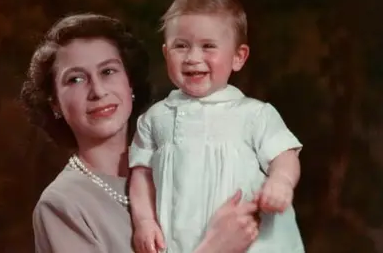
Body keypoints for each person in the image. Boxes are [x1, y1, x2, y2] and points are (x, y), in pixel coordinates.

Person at [21, 13, 261, 253]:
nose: (98, 90)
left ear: (130, 82)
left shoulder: (176, 163)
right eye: (75, 79)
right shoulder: (61, 205)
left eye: (108, 72)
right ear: (54, 104)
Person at [129, 0, 304, 253]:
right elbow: (141, 175)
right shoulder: (155, 118)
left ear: (238, 57)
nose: (193, 57)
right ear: (166, 54)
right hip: (182, 242)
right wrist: (144, 221)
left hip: (245, 240)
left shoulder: (253, 114)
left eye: (208, 46)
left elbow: (285, 155)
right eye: (181, 46)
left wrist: (280, 182)